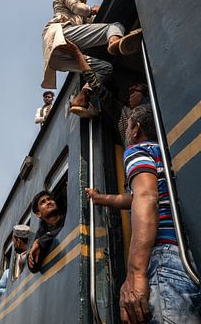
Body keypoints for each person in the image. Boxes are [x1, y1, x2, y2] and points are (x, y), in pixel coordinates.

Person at [86, 105, 201, 323]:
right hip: (188, 254)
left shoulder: (139, 151)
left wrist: (135, 273)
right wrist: (101, 199)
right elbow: (136, 197)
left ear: (135, 129)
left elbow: (146, 197)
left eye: (128, 127)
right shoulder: (165, 154)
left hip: (165, 260)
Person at [42, 0, 142, 90]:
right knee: (115, 27)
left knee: (105, 68)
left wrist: (95, 12)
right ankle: (114, 42)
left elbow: (91, 24)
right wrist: (93, 10)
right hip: (61, 35)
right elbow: (77, 7)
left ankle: (81, 99)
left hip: (57, 61)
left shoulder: (80, 17)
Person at [61, 40, 149, 143]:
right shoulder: (124, 114)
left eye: (135, 90)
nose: (131, 94)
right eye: (130, 92)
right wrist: (78, 54)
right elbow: (98, 87)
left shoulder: (152, 108)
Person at [28, 191, 65, 273]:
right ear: (38, 214)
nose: (48, 202)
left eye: (49, 199)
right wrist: (39, 243)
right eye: (43, 202)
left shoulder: (67, 214)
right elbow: (33, 267)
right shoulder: (41, 232)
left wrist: (40, 242)